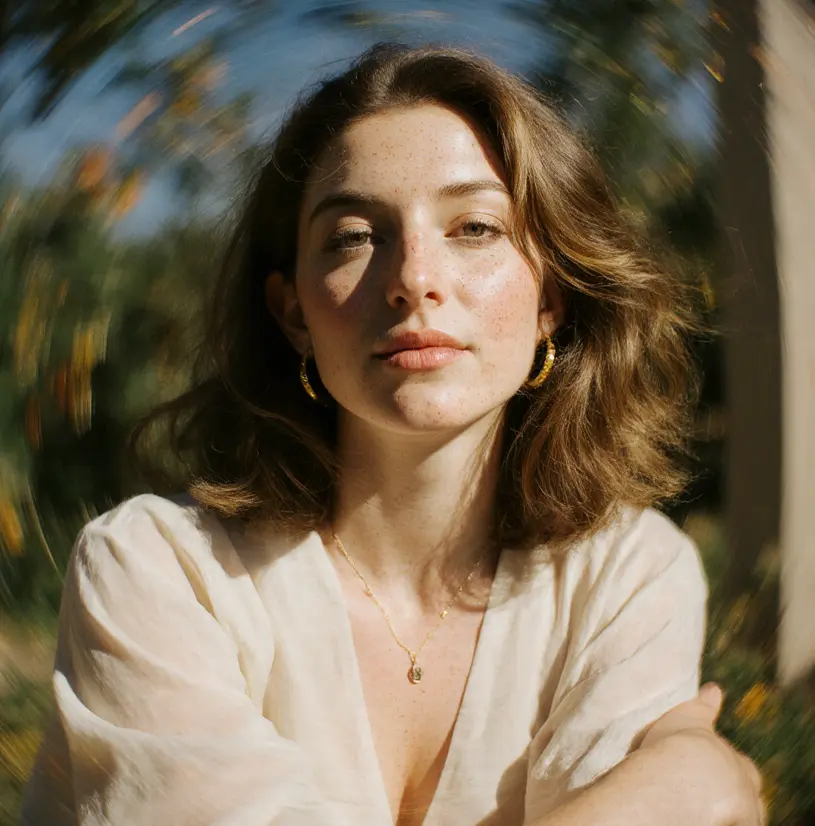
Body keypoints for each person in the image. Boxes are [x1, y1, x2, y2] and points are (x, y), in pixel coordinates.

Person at [21, 43, 764, 826]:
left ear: (551, 298)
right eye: (352, 236)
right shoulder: (157, 572)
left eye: (474, 226)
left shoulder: (628, 576)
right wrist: (671, 796)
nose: (413, 276)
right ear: (293, 314)